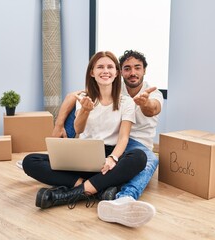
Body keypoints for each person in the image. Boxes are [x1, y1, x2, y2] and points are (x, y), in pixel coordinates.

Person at [22, 51, 148, 212]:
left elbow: (123, 138)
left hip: (107, 157)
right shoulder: (83, 98)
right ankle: (97, 188)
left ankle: (67, 195)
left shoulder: (127, 102)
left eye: (110, 67)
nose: (105, 71)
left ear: (116, 72)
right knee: (30, 161)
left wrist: (112, 158)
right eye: (100, 67)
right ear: (92, 72)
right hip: (83, 154)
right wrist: (86, 110)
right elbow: (77, 130)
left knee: (139, 157)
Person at [52, 50, 163, 228]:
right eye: (127, 68)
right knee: (80, 108)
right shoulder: (111, 83)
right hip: (110, 140)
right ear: (121, 71)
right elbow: (73, 96)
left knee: (150, 159)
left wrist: (144, 103)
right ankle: (61, 158)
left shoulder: (153, 93)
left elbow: (153, 109)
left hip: (134, 143)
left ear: (144, 70)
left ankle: (123, 199)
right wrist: (58, 125)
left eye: (137, 68)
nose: (132, 72)